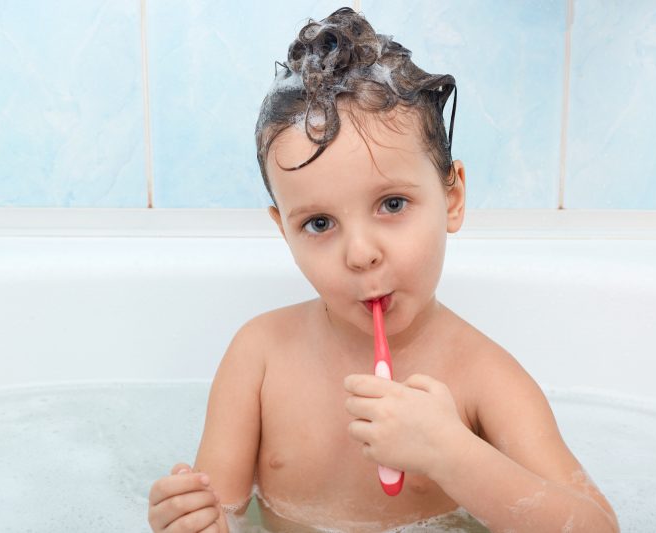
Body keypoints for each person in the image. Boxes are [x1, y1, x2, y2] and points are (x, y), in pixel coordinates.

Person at [148, 6, 620, 533]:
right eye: (320, 222)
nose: (360, 254)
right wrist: (195, 520)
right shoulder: (258, 357)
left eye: (392, 205)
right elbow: (225, 512)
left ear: (452, 196)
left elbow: (597, 527)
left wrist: (452, 455)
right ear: (284, 231)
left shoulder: (486, 379)